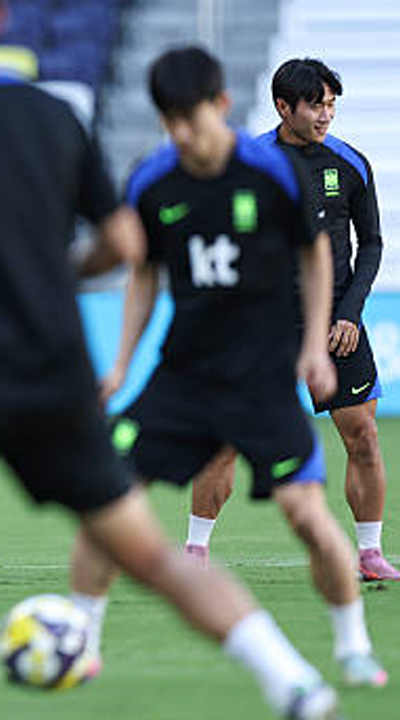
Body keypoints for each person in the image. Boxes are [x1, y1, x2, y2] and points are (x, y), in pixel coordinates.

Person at [0, 5, 343, 718]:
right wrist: (53, 273)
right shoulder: (54, 113)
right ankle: (294, 681)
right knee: (151, 556)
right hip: (57, 375)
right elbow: (125, 244)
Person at [88, 45, 387, 691]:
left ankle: (354, 642)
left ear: (220, 107)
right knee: (105, 492)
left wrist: (317, 342)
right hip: (191, 367)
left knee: (309, 510)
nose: (183, 135)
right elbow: (143, 272)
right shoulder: (152, 179)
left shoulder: (280, 172)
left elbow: (321, 256)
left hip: (280, 359)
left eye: (192, 118)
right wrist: (120, 365)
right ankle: (80, 640)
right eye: (171, 121)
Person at [184, 59, 395, 581]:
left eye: (331, 105)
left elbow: (370, 244)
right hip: (261, 324)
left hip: (335, 324)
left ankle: (369, 552)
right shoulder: (249, 164)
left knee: (363, 436)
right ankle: (194, 551)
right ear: (284, 107)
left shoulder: (349, 163)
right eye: (316, 105)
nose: (326, 115)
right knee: (226, 439)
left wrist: (349, 313)